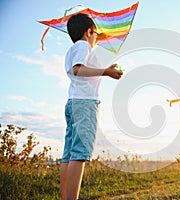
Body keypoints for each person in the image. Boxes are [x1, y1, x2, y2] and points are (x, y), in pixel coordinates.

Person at [60, 13, 123, 200]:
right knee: (79, 154)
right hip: (84, 104)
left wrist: (107, 69)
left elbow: (79, 69)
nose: (97, 38)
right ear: (89, 32)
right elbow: (78, 69)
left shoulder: (74, 49)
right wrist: (106, 72)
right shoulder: (83, 46)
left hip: (74, 102)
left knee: (69, 154)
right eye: (96, 34)